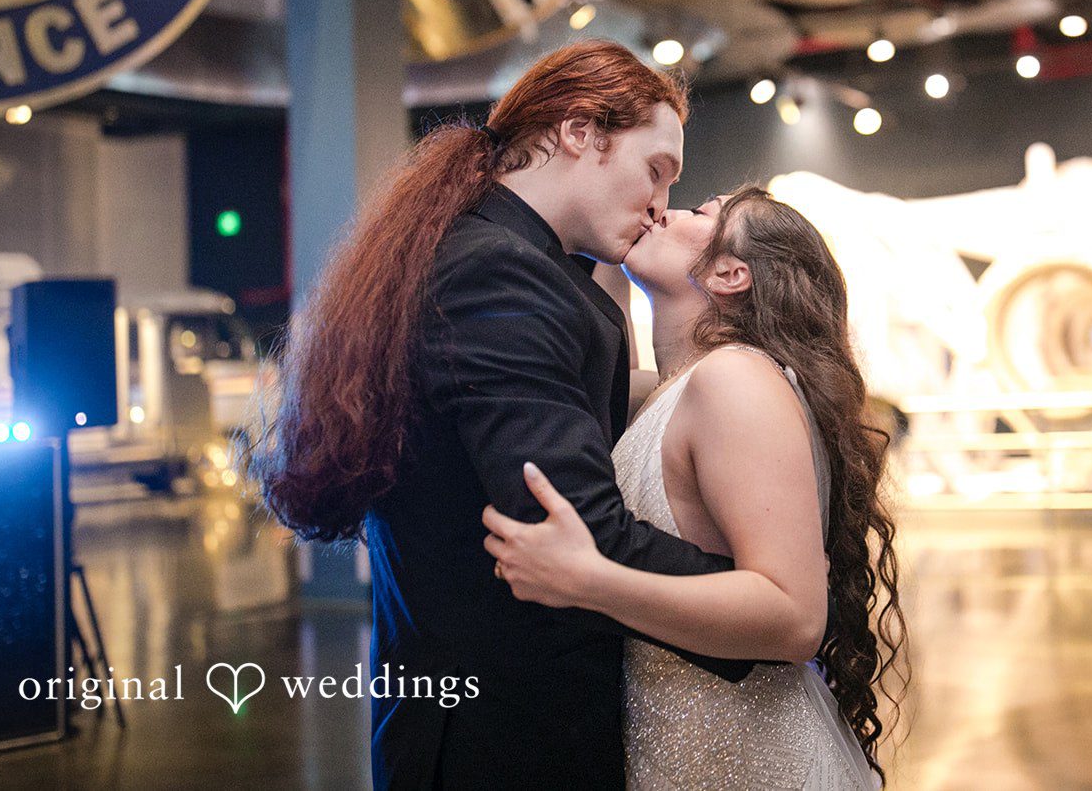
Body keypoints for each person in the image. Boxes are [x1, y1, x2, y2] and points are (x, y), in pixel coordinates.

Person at [243, 41, 753, 789]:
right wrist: (767, 601)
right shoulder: (499, 270)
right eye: (656, 169)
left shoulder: (514, 261)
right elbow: (574, 529)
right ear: (581, 132)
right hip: (504, 734)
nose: (660, 203)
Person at [483, 186, 909, 788]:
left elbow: (794, 618)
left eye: (700, 211)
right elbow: (597, 342)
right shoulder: (667, 390)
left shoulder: (734, 382)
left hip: (746, 760)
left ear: (731, 272)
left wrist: (590, 580)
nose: (665, 208)